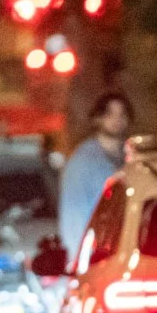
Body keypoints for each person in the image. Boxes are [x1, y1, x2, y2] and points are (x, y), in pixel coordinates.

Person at [58, 92, 131, 256]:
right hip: (92, 257)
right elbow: (76, 218)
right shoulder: (85, 162)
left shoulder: (126, 158)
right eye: (109, 114)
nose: (117, 120)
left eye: (122, 114)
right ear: (97, 119)